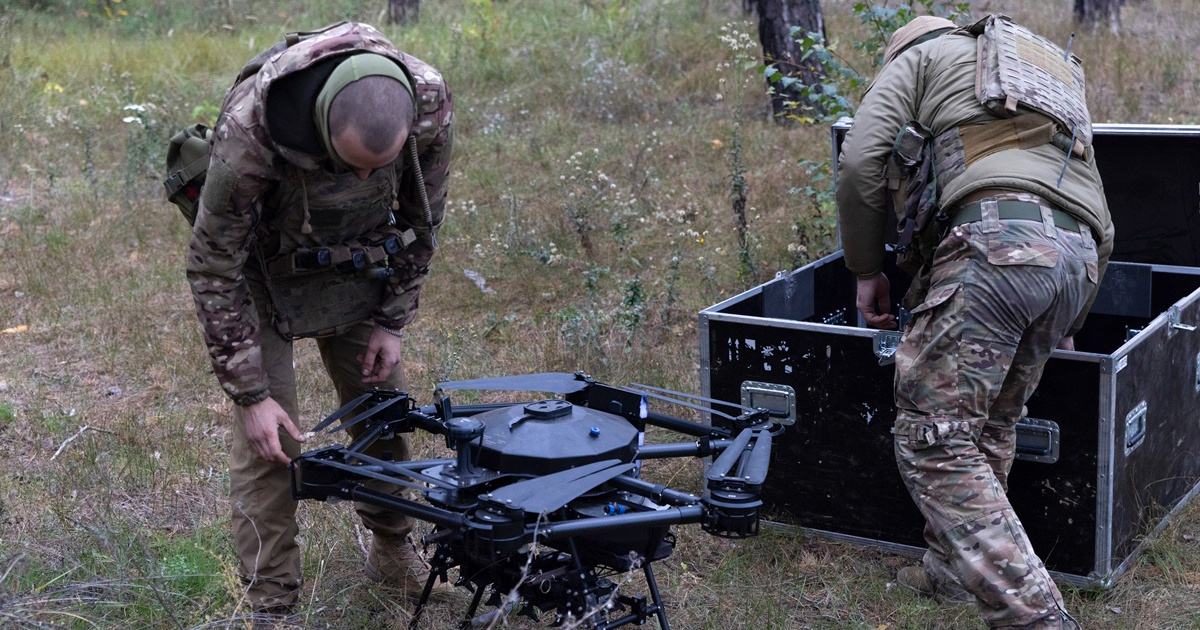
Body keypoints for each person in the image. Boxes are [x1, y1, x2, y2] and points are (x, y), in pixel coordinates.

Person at [836, 14, 1114, 630]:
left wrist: (864, 268)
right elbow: (1097, 200)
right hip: (1080, 257)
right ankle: (951, 574)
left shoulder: (921, 57)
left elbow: (860, 161)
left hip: (996, 241)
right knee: (988, 424)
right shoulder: (1047, 72)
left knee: (931, 439)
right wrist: (1074, 310)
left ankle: (1034, 616)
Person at [185, 21, 453, 616]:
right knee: (272, 444)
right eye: (348, 165)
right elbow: (211, 266)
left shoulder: (429, 101)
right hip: (261, 265)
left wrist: (392, 321)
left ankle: (392, 551)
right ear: (319, 131)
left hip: (361, 250)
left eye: (374, 169)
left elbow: (423, 219)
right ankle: (272, 605)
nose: (363, 178)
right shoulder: (250, 133)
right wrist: (251, 393)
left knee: (381, 406)